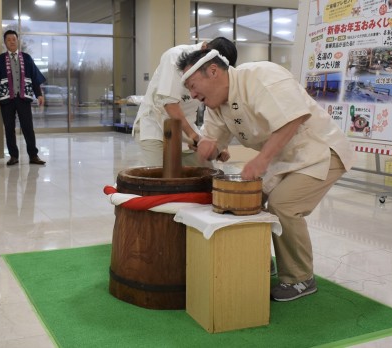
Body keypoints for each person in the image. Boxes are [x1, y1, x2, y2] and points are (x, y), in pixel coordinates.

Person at [177, 49, 355, 302]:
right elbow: (214, 140)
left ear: (213, 71)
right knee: (246, 199)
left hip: (320, 149)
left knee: (283, 206)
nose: (193, 95)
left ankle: (300, 279)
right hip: (283, 157)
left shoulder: (260, 75)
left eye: (193, 86)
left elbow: (294, 117)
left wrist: (261, 159)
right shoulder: (215, 106)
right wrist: (209, 147)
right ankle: (260, 261)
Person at [132, 37, 237, 167]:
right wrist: (195, 137)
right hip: (156, 124)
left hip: (186, 127)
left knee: (207, 173)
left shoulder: (215, 69)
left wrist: (219, 145)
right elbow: (169, 104)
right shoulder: (175, 56)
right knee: (158, 177)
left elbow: (216, 108)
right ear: (204, 49)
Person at [0, 30, 46, 166]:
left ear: (17, 41)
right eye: (8, 40)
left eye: (14, 39)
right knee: (9, 128)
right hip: (7, 99)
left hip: (23, 98)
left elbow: (34, 78)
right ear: (5, 43)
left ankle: (33, 155)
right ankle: (13, 156)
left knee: (28, 127)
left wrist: (39, 94)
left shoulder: (27, 58)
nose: (12, 42)